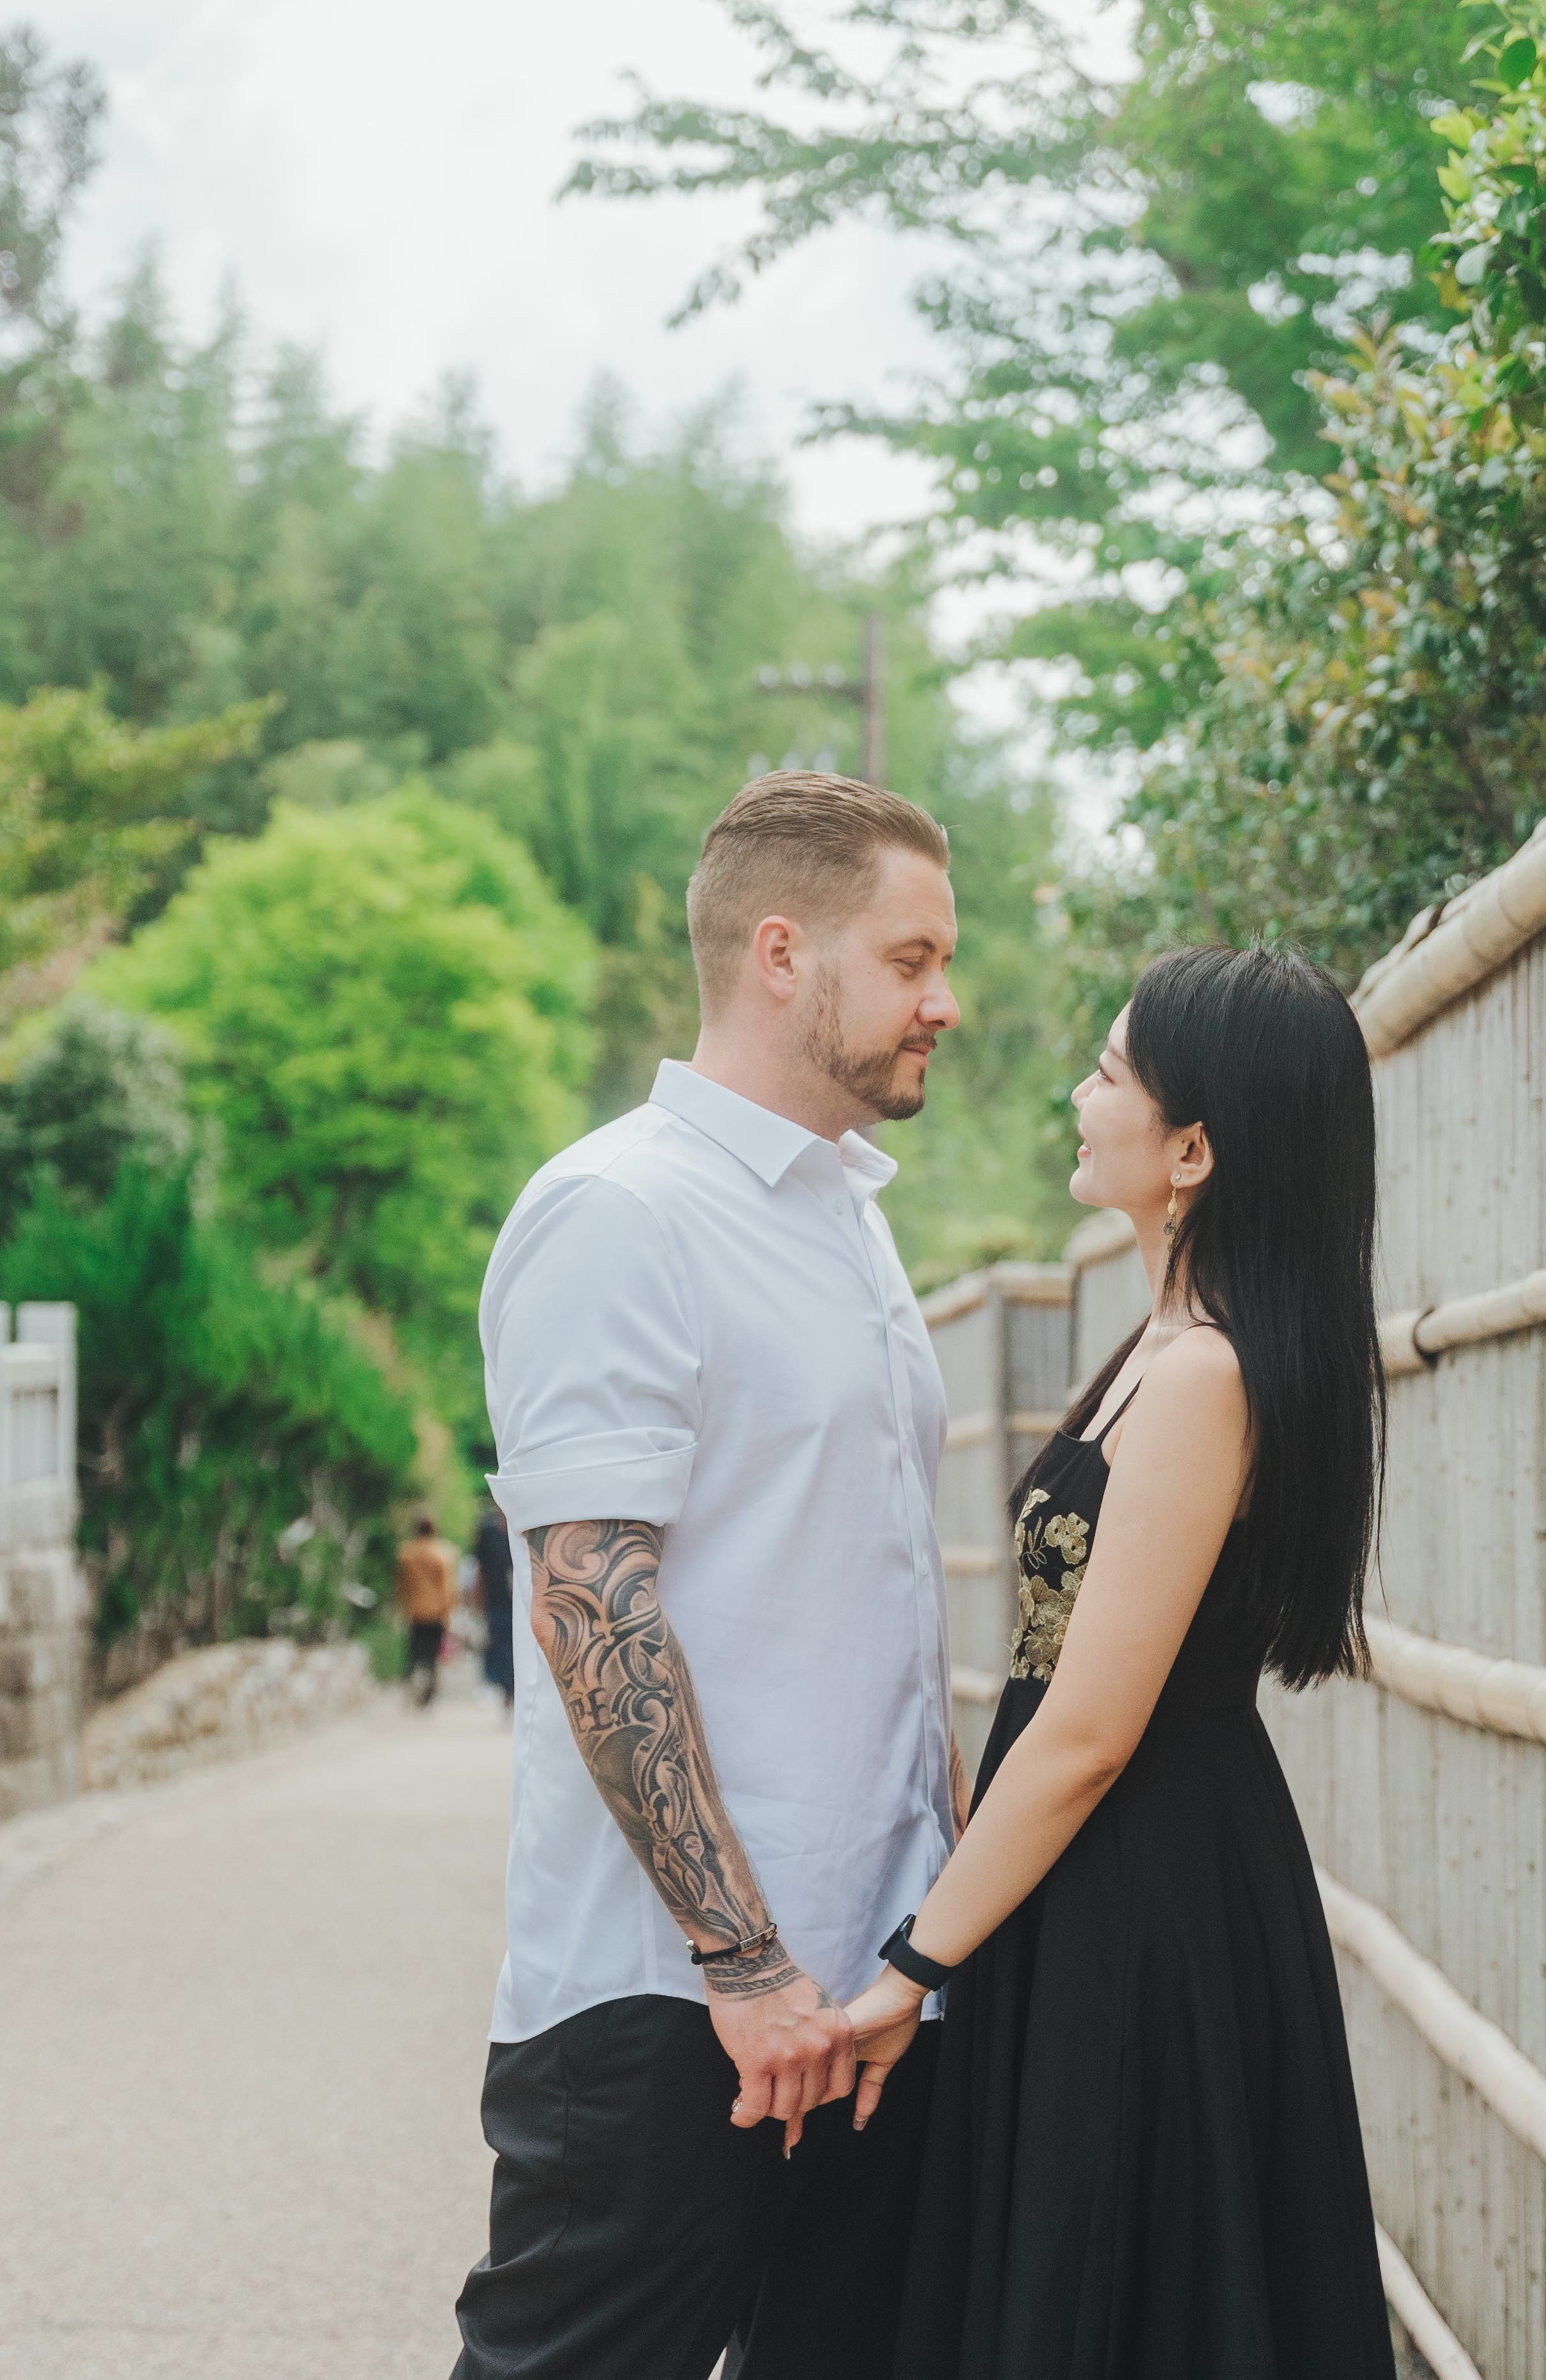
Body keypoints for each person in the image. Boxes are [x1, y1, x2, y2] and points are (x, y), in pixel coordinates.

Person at [454, 771, 966, 2380]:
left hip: (872, 1998)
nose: (944, 1002)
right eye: (909, 960)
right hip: (674, 2010)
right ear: (780, 954)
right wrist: (744, 1967)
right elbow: (593, 1605)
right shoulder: (622, 1212)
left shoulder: (851, 1223)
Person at [843, 945, 1395, 2380]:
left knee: (1114, 2290)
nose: (1076, 1095)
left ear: (1191, 1146)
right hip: (1106, 1871)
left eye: (1105, 1071)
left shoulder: (1207, 1371)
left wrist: (910, 1963)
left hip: (1144, 1890)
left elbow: (1085, 1725)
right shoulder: (1166, 1342)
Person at [395, 1512, 458, 1707]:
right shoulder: (443, 1554)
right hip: (436, 1612)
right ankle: (428, 1695)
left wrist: (402, 1605)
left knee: (414, 1651)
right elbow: (447, 1588)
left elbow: (401, 1583)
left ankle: (409, 1686)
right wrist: (449, 1614)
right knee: (431, 1655)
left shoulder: (406, 1553)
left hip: (414, 1611)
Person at [472, 1502, 516, 1705]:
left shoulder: (523, 1529)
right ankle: (508, 1689)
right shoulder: (488, 1533)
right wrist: (477, 1598)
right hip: (496, 1601)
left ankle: (514, 1689)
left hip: (521, 1604)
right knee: (500, 1646)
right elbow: (480, 1569)